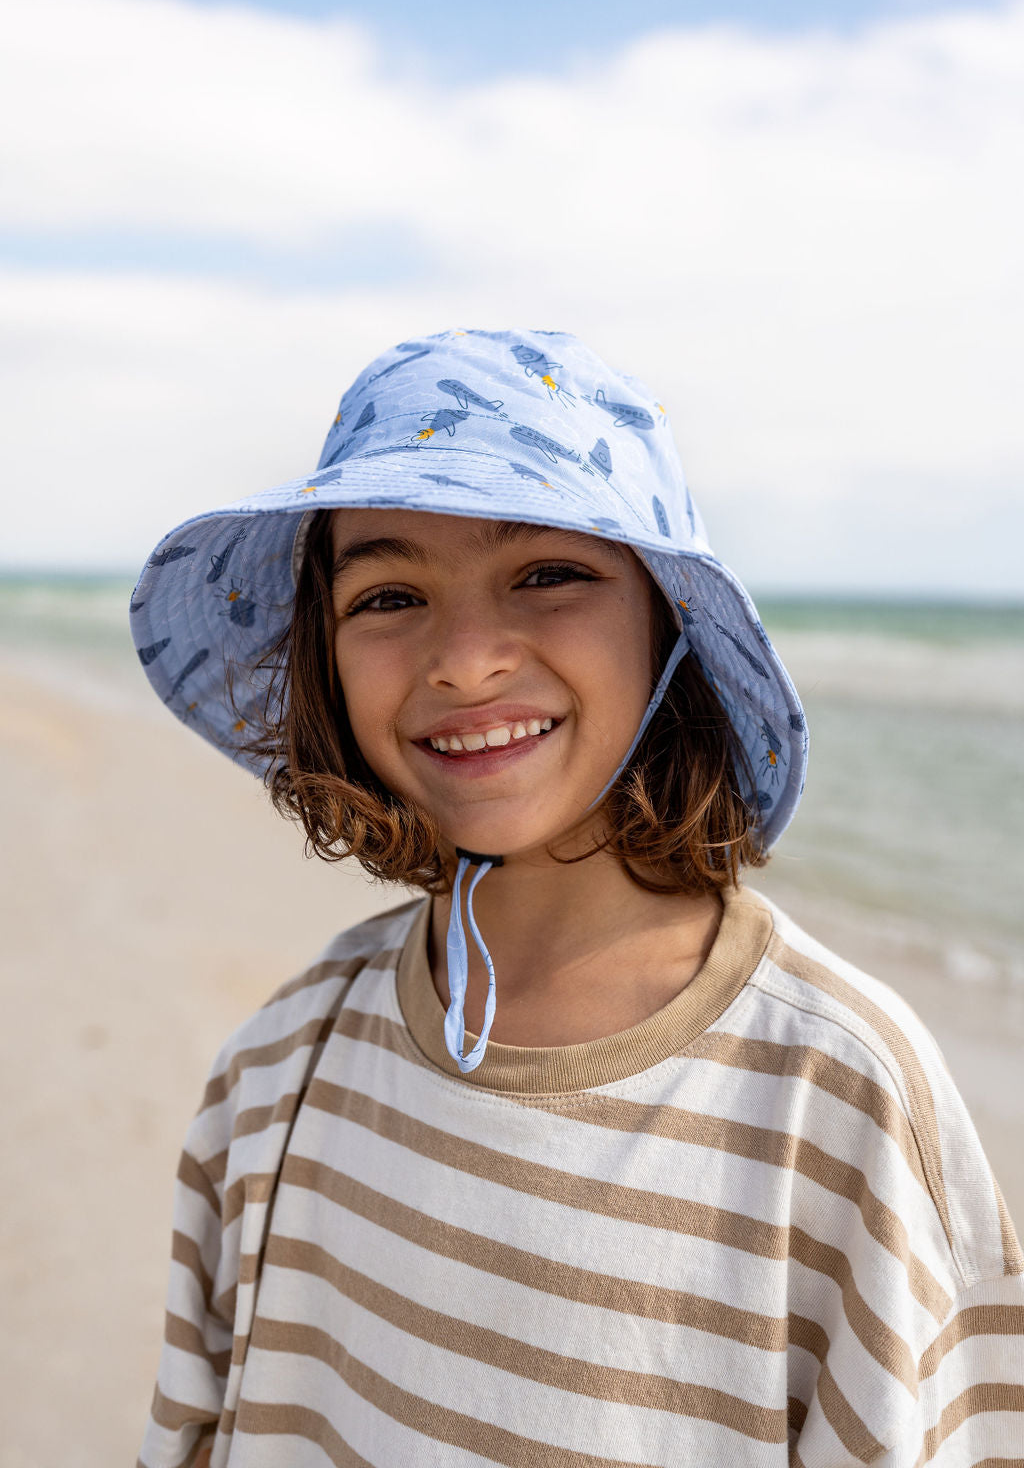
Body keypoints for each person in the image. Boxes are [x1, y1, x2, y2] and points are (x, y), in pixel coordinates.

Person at [133, 329, 1023, 1468]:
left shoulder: (835, 1102)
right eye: (389, 593)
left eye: (548, 574)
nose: (462, 660)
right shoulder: (275, 1069)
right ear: (325, 656)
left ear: (672, 627)